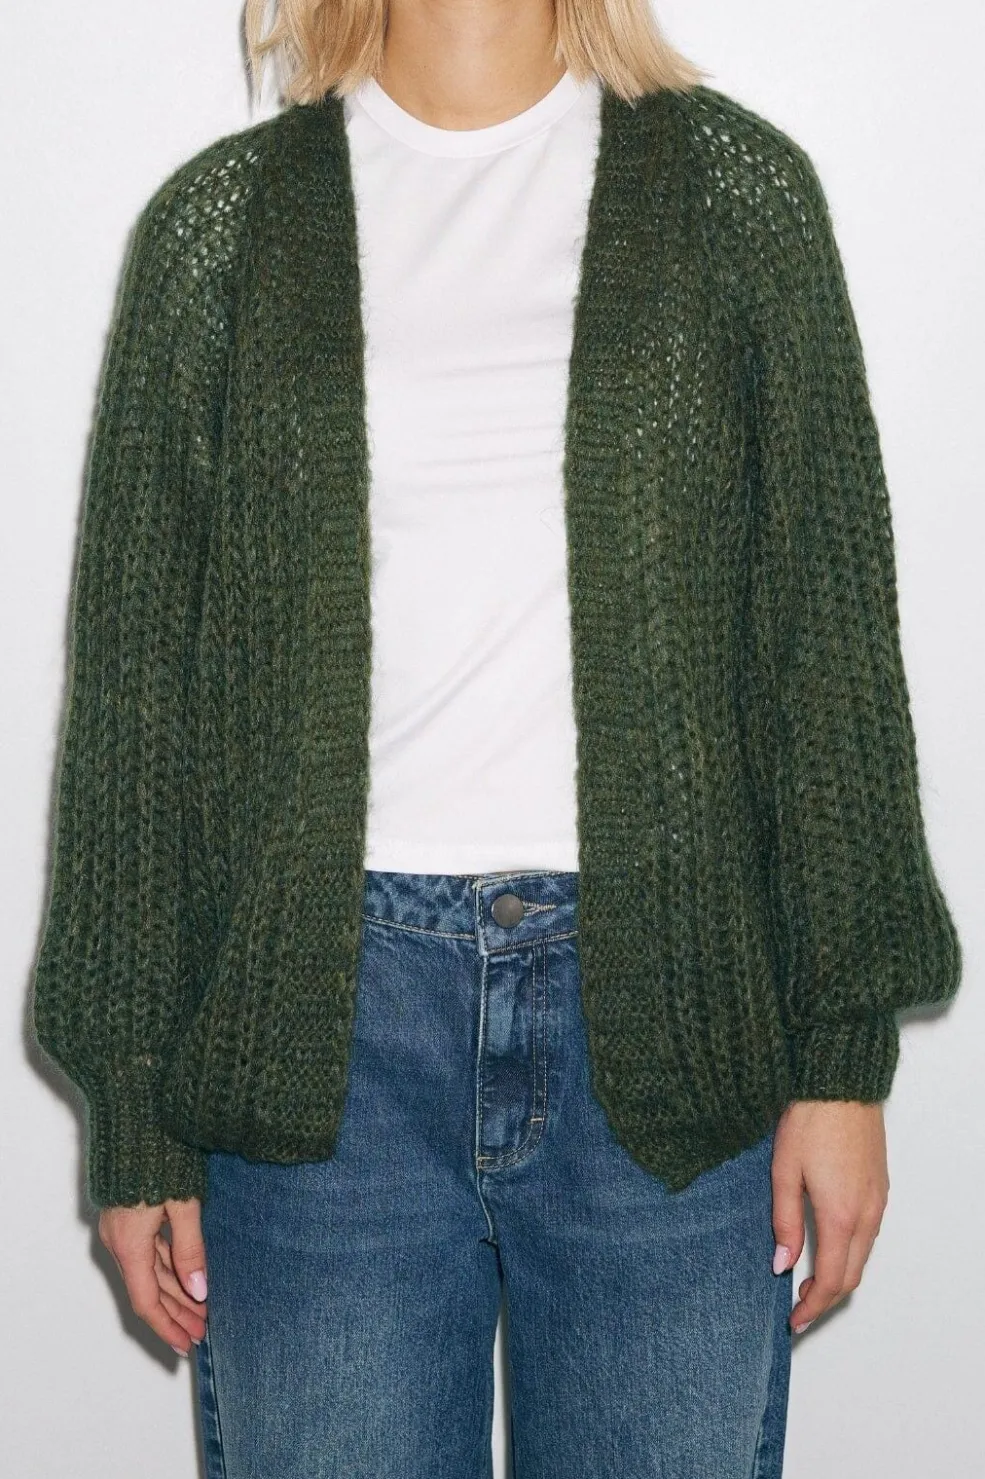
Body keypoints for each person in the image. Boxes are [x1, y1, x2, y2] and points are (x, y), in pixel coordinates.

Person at [30, 1, 962, 1475]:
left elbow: (823, 637)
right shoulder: (223, 232)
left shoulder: (737, 199)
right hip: (319, 1052)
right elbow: (143, 701)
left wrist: (843, 1060)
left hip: (674, 1028)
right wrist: (137, 1115)